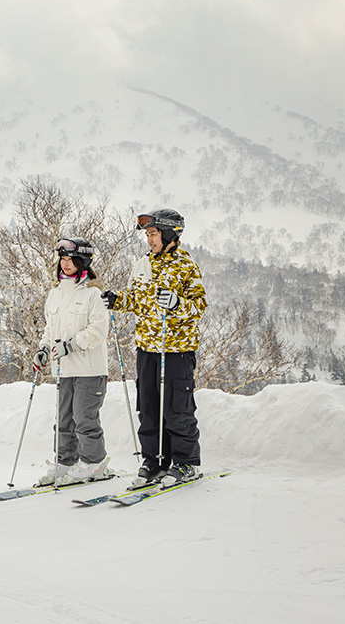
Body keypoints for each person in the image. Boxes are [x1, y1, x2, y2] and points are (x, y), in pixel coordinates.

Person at [100, 209, 207, 488]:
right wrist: (118, 300)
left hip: (176, 350)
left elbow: (199, 307)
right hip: (147, 347)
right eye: (147, 235)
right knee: (148, 408)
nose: (149, 240)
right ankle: (154, 460)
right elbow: (137, 299)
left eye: (153, 234)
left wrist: (176, 304)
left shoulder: (185, 265)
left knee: (177, 409)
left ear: (170, 234)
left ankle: (186, 462)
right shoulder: (142, 264)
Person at [31, 237, 111, 486]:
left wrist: (71, 345)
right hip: (63, 370)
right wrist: (43, 349)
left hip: (89, 369)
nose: (65, 264)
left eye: (70, 259)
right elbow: (49, 328)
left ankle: (94, 463)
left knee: (84, 418)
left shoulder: (93, 294)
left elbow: (98, 330)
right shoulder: (55, 294)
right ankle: (66, 462)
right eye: (62, 259)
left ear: (83, 261)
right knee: (64, 419)